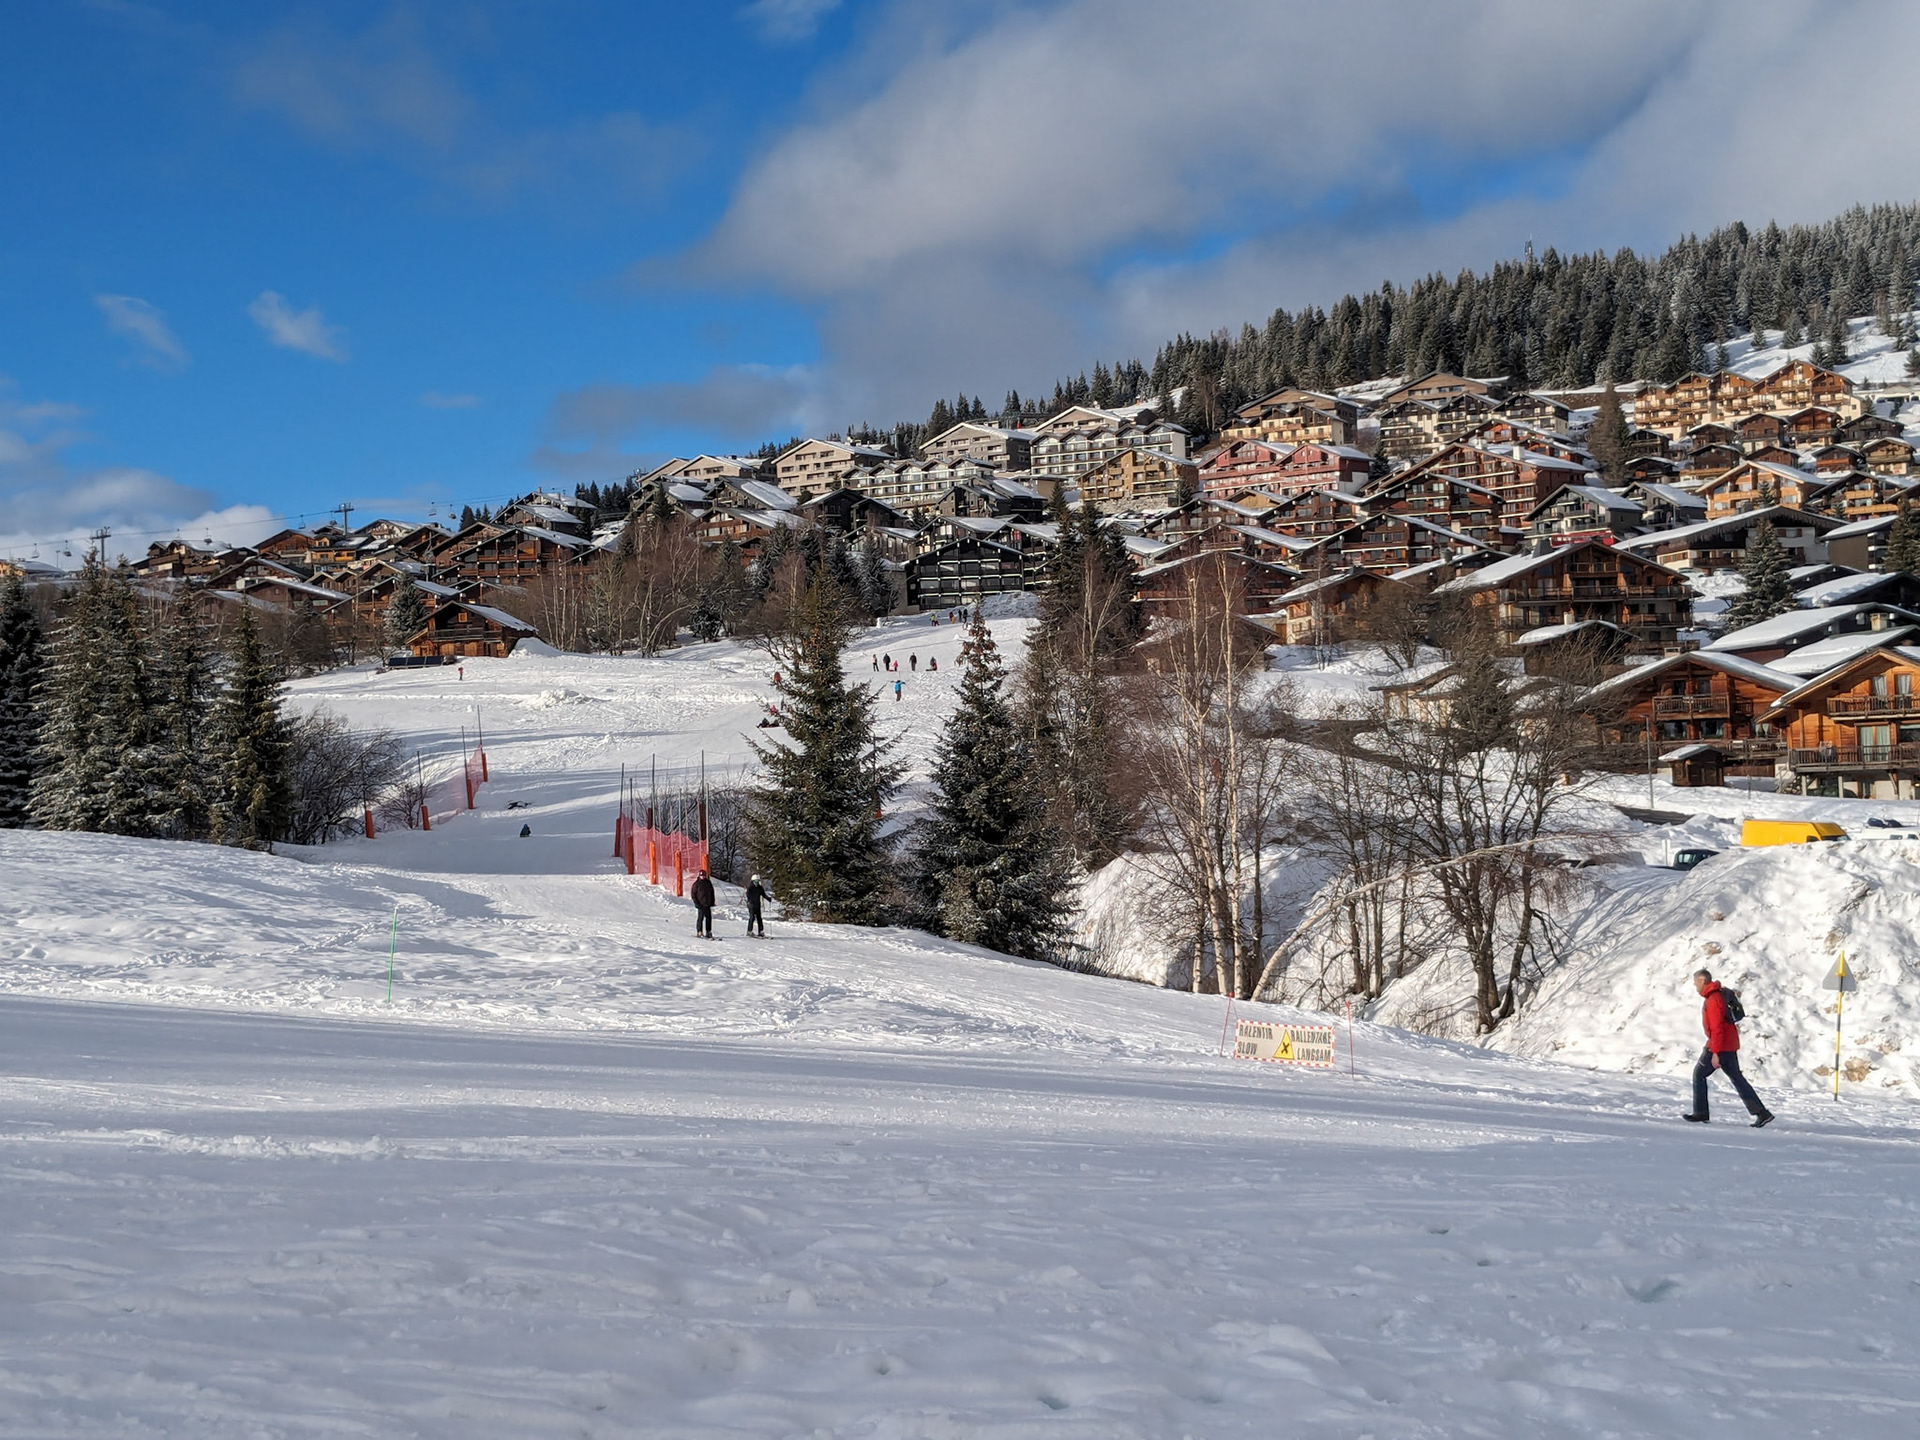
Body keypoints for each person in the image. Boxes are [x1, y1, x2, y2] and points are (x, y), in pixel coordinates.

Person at [1685, 969, 1773, 1126]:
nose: (1694, 984)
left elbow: (1717, 1028)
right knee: (1737, 1078)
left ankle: (1701, 1113)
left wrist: (1715, 1052)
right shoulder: (1718, 995)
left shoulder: (1713, 999)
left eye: (1696, 982)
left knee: (1699, 1074)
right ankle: (1761, 1112)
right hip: (1728, 1044)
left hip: (1719, 1045)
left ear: (1703, 981)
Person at [690, 869, 716, 940]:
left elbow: (712, 892)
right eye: (701, 876)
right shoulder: (696, 884)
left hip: (707, 903)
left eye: (704, 875)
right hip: (700, 904)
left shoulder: (708, 883)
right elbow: (693, 894)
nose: (703, 877)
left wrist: (712, 902)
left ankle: (708, 931)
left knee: (708, 918)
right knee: (700, 918)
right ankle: (699, 931)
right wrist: (696, 903)